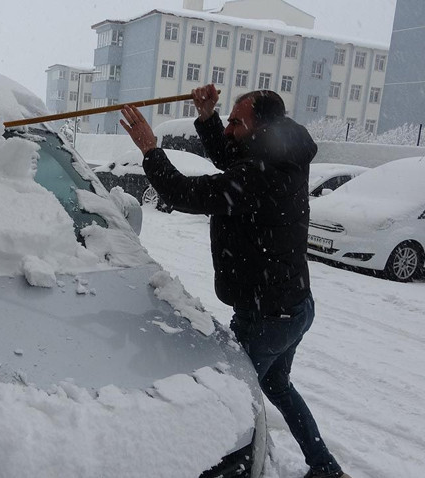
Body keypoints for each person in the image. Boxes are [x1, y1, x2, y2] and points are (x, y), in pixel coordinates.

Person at [120, 85, 349, 478]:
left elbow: (184, 193)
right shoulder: (284, 152)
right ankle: (325, 466)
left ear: (260, 129)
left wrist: (151, 151)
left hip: (266, 318)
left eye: (235, 122)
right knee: (277, 386)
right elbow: (230, 154)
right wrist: (208, 117)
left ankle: (216, 467)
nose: (227, 129)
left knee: (226, 402)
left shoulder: (263, 175)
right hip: (292, 306)